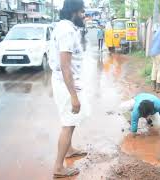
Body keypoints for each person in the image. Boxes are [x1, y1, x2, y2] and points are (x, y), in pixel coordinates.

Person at [49, 0, 88, 178]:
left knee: (70, 120)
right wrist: (73, 96)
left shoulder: (67, 27)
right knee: (68, 123)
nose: (84, 15)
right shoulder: (66, 30)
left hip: (67, 82)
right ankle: (58, 167)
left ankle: (70, 149)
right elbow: (65, 65)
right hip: (66, 85)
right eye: (82, 11)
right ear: (74, 10)